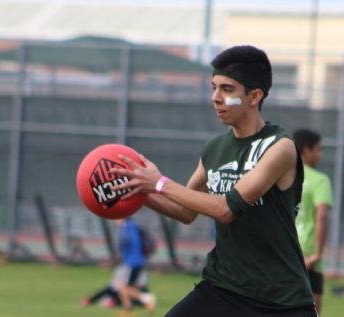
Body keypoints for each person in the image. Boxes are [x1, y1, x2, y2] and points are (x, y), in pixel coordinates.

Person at [111, 45, 317, 317]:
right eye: (213, 87)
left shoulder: (279, 147)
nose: (215, 98)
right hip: (224, 288)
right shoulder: (214, 149)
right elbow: (185, 211)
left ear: (255, 96)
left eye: (227, 90)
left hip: (280, 300)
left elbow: (226, 209)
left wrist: (158, 182)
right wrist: (140, 190)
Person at [292, 129, 333, 315]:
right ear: (306, 150)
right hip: (309, 255)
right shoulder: (319, 180)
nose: (320, 154)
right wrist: (317, 254)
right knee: (312, 310)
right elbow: (322, 215)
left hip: (285, 252)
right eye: (318, 149)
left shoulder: (281, 176)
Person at [82, 218, 156, 316]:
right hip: (130, 262)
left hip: (133, 263)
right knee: (121, 286)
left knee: (122, 287)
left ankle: (145, 298)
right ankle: (128, 310)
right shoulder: (128, 226)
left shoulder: (128, 226)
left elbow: (127, 242)